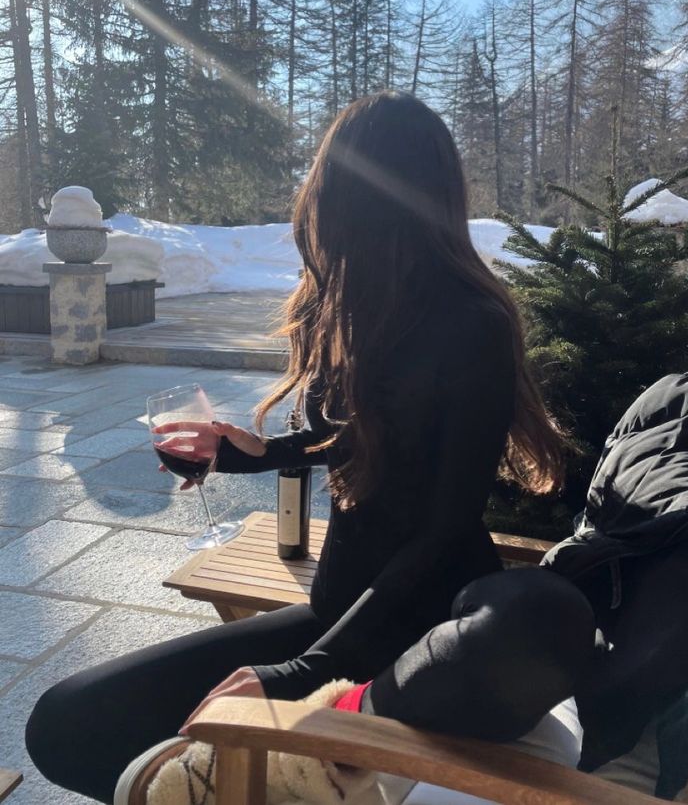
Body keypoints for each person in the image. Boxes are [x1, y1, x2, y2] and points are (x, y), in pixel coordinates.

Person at [26, 92, 594, 804]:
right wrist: (246, 452)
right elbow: (363, 435)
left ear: (356, 195)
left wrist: (305, 672)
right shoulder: (354, 304)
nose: (310, 200)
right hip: (336, 609)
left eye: (323, 181)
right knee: (64, 724)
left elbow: (445, 528)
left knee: (88, 731)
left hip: (419, 634)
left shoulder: (471, 322)